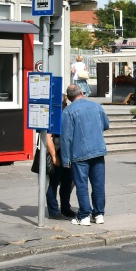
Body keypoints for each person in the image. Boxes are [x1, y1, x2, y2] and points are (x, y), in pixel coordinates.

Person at [60, 84, 110, 226]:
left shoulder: (68, 111)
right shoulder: (96, 106)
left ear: (69, 98)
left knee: (82, 185)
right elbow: (106, 125)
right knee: (98, 185)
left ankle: (84, 215)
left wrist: (65, 160)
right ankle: (99, 214)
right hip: (98, 149)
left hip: (79, 152)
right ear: (82, 93)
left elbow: (66, 138)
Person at [45, 110, 76, 219]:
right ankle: (53, 211)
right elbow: (48, 137)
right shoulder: (53, 118)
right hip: (58, 153)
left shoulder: (67, 116)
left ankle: (65, 208)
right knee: (54, 183)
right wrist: (54, 156)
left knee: (67, 182)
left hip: (67, 154)